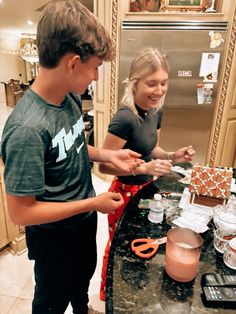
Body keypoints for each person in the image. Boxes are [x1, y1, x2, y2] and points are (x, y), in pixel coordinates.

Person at [0, 1, 143, 313]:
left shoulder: (69, 98)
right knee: (51, 300)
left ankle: (82, 308)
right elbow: (21, 213)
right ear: (73, 63)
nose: (95, 78)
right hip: (54, 239)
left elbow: (72, 143)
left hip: (81, 224)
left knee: (80, 280)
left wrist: (107, 154)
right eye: (95, 68)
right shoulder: (26, 128)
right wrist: (94, 203)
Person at [99, 47, 196, 301]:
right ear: (134, 82)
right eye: (152, 84)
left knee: (142, 245)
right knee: (119, 250)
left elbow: (152, 148)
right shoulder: (125, 118)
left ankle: (133, 295)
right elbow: (104, 165)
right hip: (123, 194)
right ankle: (111, 298)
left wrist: (174, 157)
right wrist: (142, 168)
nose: (159, 90)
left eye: (164, 83)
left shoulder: (156, 111)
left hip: (146, 191)